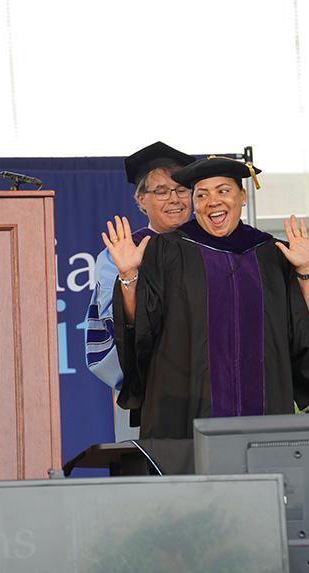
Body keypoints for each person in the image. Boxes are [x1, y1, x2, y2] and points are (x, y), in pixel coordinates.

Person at [104, 156, 309, 440]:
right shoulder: (166, 252)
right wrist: (128, 276)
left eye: (223, 191)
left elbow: (301, 329)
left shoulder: (272, 254)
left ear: (242, 197)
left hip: (264, 413)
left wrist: (306, 272)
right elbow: (139, 328)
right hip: (185, 415)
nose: (213, 201)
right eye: (202, 195)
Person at [85, 141, 195, 440]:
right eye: (161, 191)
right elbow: (118, 325)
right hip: (155, 390)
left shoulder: (211, 246)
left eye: (181, 189)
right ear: (141, 201)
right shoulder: (122, 252)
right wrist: (129, 276)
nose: (174, 199)